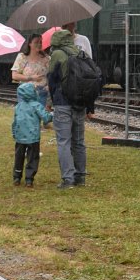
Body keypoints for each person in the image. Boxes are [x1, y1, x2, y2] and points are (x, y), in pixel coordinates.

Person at [47, 29, 87, 189]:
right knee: (78, 141)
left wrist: (51, 100)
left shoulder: (57, 54)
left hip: (62, 102)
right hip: (79, 102)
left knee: (64, 141)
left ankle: (67, 179)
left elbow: (51, 79)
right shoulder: (79, 52)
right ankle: (80, 177)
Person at [12, 82, 53, 187]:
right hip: (33, 137)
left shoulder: (18, 106)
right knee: (32, 157)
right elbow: (46, 118)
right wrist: (53, 114)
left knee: (19, 156)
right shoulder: (37, 106)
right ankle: (29, 179)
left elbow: (15, 122)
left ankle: (17, 177)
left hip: (20, 137)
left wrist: (14, 133)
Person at [11, 34, 50, 108]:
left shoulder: (47, 59)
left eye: (40, 42)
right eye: (36, 42)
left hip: (41, 92)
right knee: (26, 116)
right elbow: (14, 75)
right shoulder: (22, 57)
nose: (39, 44)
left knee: (38, 117)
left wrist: (48, 86)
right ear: (30, 44)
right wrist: (31, 78)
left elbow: (52, 75)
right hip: (25, 92)